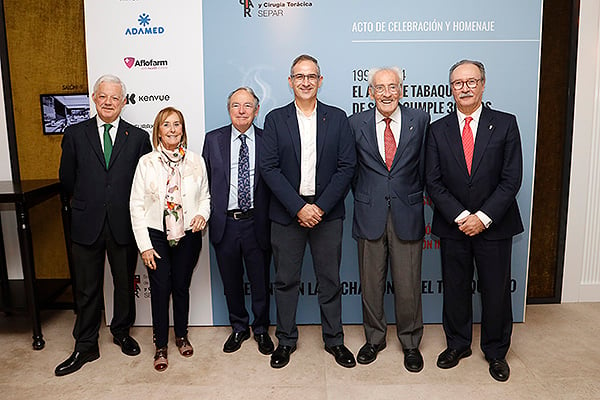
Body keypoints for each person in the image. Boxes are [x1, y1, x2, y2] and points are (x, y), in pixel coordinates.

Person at [425, 60, 524, 382]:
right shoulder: (437, 129)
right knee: (455, 288)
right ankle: (458, 344)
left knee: (496, 291)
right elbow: (433, 181)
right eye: (458, 83)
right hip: (453, 225)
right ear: (450, 88)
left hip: (494, 225)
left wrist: (481, 218)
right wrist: (460, 216)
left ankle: (496, 352)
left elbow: (511, 179)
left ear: (483, 85)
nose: (464, 88)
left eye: (471, 81)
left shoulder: (506, 124)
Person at [260, 54, 357, 369]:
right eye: (299, 76)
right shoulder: (275, 119)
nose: (305, 82)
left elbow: (347, 167)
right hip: (288, 212)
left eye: (311, 76)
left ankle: (334, 340)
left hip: (327, 212)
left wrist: (320, 207)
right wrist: (299, 207)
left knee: (330, 279)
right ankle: (285, 340)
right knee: (286, 280)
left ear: (320, 81)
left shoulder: (337, 117)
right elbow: (269, 168)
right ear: (290, 81)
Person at [56, 74, 152, 376]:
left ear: (124, 102)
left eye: (115, 97)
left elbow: (143, 184)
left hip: (123, 223)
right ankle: (85, 345)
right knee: (86, 289)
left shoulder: (137, 138)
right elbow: (67, 179)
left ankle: (122, 332)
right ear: (94, 99)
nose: (109, 102)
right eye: (103, 96)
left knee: (125, 284)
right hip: (86, 223)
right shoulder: (75, 134)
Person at [349, 66, 429, 372]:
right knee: (371, 283)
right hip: (369, 212)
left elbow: (424, 166)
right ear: (370, 92)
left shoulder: (419, 120)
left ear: (402, 90)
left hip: (407, 211)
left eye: (392, 87)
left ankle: (410, 342)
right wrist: (370, 196)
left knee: (408, 284)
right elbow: (353, 170)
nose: (386, 93)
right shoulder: (354, 123)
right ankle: (374, 338)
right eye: (379, 88)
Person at [129, 106, 210, 371]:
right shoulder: (146, 163)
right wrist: (144, 247)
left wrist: (201, 214)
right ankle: (160, 345)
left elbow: (206, 197)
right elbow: (136, 206)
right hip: (156, 236)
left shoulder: (196, 161)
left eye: (177, 124)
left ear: (183, 130)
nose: (172, 129)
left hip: (188, 235)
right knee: (161, 289)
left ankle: (182, 335)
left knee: (181, 287)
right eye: (166, 125)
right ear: (158, 131)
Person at [202, 87, 274, 355]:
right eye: (235, 105)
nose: (241, 111)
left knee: (260, 280)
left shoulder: (268, 140)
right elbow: (204, 182)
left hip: (258, 222)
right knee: (231, 281)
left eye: (247, 106)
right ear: (229, 109)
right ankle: (239, 328)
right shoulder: (213, 140)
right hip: (226, 224)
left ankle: (261, 329)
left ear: (256, 110)